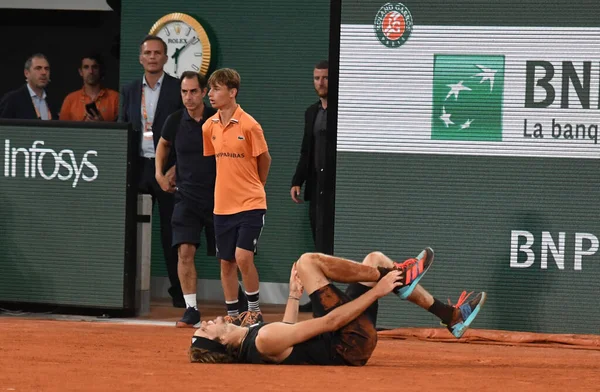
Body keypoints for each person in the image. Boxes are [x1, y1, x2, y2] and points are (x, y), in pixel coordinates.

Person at [188, 247, 487, 365]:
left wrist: (294, 295)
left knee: (374, 259)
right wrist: (377, 291)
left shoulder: (256, 336)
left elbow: (292, 333)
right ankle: (393, 277)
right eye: (207, 328)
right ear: (221, 342)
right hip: (348, 344)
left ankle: (451, 317)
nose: (209, 320)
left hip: (343, 337)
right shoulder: (261, 339)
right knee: (308, 262)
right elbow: (328, 324)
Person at [202, 68, 272, 326]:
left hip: (251, 203)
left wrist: (258, 185)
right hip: (222, 206)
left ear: (232, 92)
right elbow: (215, 163)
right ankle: (233, 316)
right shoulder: (208, 127)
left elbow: (265, 159)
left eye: (216, 89)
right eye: (210, 89)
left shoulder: (250, 124)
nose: (210, 94)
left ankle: (254, 311)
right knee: (227, 263)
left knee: (243, 257)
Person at [120, 35, 185, 308]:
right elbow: (122, 126)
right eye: (147, 52)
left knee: (172, 232)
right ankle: (126, 290)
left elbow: (186, 133)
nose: (152, 57)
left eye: (158, 53)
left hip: (168, 170)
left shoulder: (178, 88)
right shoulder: (130, 90)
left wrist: (176, 169)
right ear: (140, 57)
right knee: (129, 231)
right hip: (138, 169)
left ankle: (180, 294)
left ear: (166, 58)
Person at [155, 71, 217, 327]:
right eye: (184, 92)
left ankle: (241, 310)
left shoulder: (219, 119)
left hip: (218, 198)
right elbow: (163, 145)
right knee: (184, 252)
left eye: (193, 91)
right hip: (186, 199)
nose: (188, 97)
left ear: (204, 93)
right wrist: (159, 174)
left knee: (230, 257)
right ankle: (191, 308)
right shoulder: (174, 120)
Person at [290, 60, 331, 313]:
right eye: (316, 78)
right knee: (318, 243)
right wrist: (297, 180)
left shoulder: (341, 111)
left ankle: (330, 299)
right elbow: (306, 150)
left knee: (329, 246)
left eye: (325, 78)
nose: (320, 83)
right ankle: (319, 298)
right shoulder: (311, 113)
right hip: (315, 188)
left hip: (335, 189)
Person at [59, 54, 119, 122]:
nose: (91, 71)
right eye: (86, 67)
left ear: (100, 70)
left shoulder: (115, 98)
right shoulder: (70, 99)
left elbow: (122, 131)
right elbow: (62, 131)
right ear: (80, 72)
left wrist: (102, 124)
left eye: (95, 67)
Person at [0, 53, 56, 120]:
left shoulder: (52, 101)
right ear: (26, 73)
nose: (44, 72)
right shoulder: (12, 100)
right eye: (38, 68)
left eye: (46, 69)